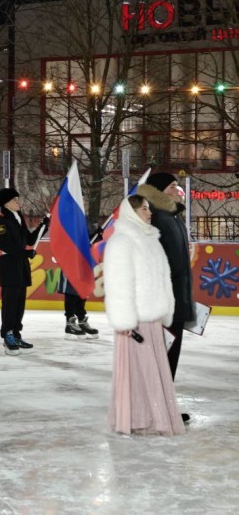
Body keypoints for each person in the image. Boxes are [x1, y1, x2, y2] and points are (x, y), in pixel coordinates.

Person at [105, 194, 184, 436]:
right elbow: (118, 283)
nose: (150, 213)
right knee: (138, 372)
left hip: (153, 316)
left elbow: (163, 278)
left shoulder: (151, 239)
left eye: (149, 208)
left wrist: (165, 307)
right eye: (144, 209)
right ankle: (136, 418)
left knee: (154, 370)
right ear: (131, 213)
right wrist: (124, 320)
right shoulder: (121, 241)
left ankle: (153, 416)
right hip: (135, 320)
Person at [139, 172, 194, 424]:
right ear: (161, 190)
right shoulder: (157, 217)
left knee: (169, 357)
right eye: (173, 186)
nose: (178, 190)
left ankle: (164, 407)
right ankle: (154, 409)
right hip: (164, 300)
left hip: (177, 297)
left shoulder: (172, 216)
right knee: (160, 357)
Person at [0, 188, 48, 355]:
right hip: (9, 265)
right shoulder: (2, 222)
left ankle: (16, 333)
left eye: (18, 199)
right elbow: (4, 244)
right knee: (10, 303)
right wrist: (25, 253)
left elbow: (30, 240)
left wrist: (43, 226)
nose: (18, 202)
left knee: (19, 303)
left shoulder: (18, 218)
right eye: (14, 200)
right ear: (5, 203)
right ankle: (7, 334)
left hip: (21, 265)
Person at [58, 224, 101, 339]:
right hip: (70, 264)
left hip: (82, 264)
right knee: (71, 294)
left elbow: (84, 241)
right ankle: (70, 323)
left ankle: (81, 320)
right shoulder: (68, 225)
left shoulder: (80, 224)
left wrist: (95, 235)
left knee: (82, 293)